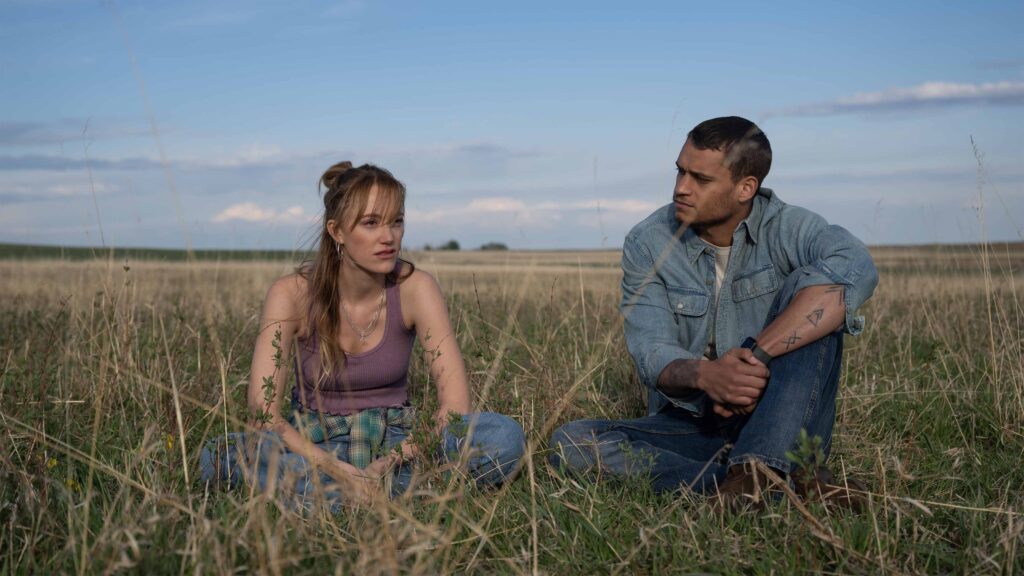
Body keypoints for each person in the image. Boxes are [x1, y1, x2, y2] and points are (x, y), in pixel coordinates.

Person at [549, 116, 878, 508]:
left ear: (745, 188)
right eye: (680, 172)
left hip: (783, 416)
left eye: (701, 179)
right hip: (696, 423)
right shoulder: (648, 241)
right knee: (572, 443)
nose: (681, 188)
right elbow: (651, 351)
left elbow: (856, 268)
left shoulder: (790, 227)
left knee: (815, 290)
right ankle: (760, 485)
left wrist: (753, 361)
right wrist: (708, 376)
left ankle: (760, 470)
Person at [200, 162, 525, 510]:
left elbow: (455, 408)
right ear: (337, 231)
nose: (389, 237)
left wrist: (389, 462)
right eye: (371, 223)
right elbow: (264, 416)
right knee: (220, 454)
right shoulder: (291, 294)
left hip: (397, 444)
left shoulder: (417, 288)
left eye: (396, 221)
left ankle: (338, 497)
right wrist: (335, 469)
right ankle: (396, 493)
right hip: (314, 445)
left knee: (504, 437)